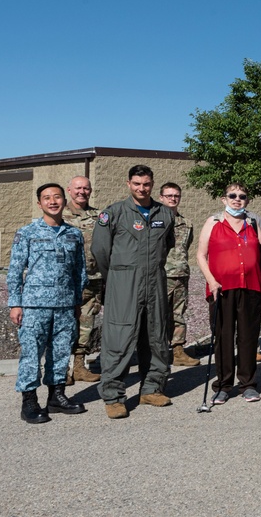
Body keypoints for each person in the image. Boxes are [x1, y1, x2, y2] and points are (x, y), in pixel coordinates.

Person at [92, 164, 176, 418]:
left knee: (156, 337)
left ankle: (151, 388)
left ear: (152, 185)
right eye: (137, 184)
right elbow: (100, 251)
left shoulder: (166, 213)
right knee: (119, 337)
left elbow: (168, 246)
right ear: (128, 184)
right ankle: (114, 396)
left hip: (155, 283)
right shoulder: (114, 213)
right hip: (123, 282)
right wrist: (117, 277)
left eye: (147, 184)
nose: (142, 188)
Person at [8, 183, 88, 424]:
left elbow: (79, 271)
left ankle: (56, 396)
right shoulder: (27, 232)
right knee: (32, 355)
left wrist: (77, 301)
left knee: (62, 352)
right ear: (39, 203)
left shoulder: (74, 234)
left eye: (57, 197)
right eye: (46, 198)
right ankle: (29, 401)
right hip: (34, 305)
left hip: (65, 305)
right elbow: (14, 270)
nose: (52, 201)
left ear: (64, 200)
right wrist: (15, 303)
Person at [197, 183, 261, 404]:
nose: (237, 199)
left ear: (247, 200)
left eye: (242, 196)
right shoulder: (213, 222)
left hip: (250, 287)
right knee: (224, 337)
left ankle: (248, 384)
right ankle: (223, 385)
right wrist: (211, 280)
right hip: (222, 289)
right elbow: (201, 255)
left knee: (248, 337)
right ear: (224, 199)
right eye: (233, 195)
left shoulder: (253, 222)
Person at [62, 175, 102, 384]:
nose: (82, 192)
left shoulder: (99, 217)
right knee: (63, 324)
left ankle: (79, 366)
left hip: (93, 279)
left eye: (86, 188)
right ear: (69, 190)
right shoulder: (59, 215)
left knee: (86, 323)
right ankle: (61, 369)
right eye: (78, 188)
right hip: (67, 281)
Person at [159, 182, 200, 367]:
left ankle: (178, 351)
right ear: (161, 198)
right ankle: (158, 352)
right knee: (158, 314)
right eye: (169, 196)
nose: (173, 199)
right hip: (160, 275)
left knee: (178, 313)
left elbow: (185, 247)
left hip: (181, 274)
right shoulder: (155, 221)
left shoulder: (186, 223)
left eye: (176, 196)